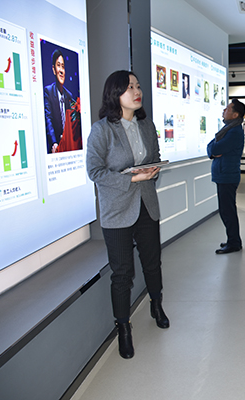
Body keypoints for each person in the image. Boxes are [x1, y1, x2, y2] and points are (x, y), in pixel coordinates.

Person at [86, 70, 170, 359]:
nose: (137, 91)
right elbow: (95, 172)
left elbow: (154, 157)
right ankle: (123, 328)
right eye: (129, 87)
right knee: (122, 273)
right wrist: (132, 178)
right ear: (115, 94)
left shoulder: (146, 125)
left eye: (138, 86)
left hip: (146, 204)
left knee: (152, 263)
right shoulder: (102, 130)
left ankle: (156, 304)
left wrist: (152, 171)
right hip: (117, 210)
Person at [207, 99, 245, 254]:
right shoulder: (228, 129)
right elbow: (211, 147)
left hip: (227, 176)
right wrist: (213, 150)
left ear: (235, 114)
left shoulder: (234, 131)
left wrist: (214, 151)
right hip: (224, 175)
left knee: (227, 211)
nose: (224, 110)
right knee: (226, 210)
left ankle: (234, 243)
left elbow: (214, 149)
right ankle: (233, 240)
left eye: (228, 109)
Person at [44, 49, 75, 153]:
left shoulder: (69, 95)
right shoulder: (48, 91)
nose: (61, 70)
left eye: (63, 66)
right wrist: (54, 143)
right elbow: (48, 119)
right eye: (58, 66)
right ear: (54, 69)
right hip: (56, 148)